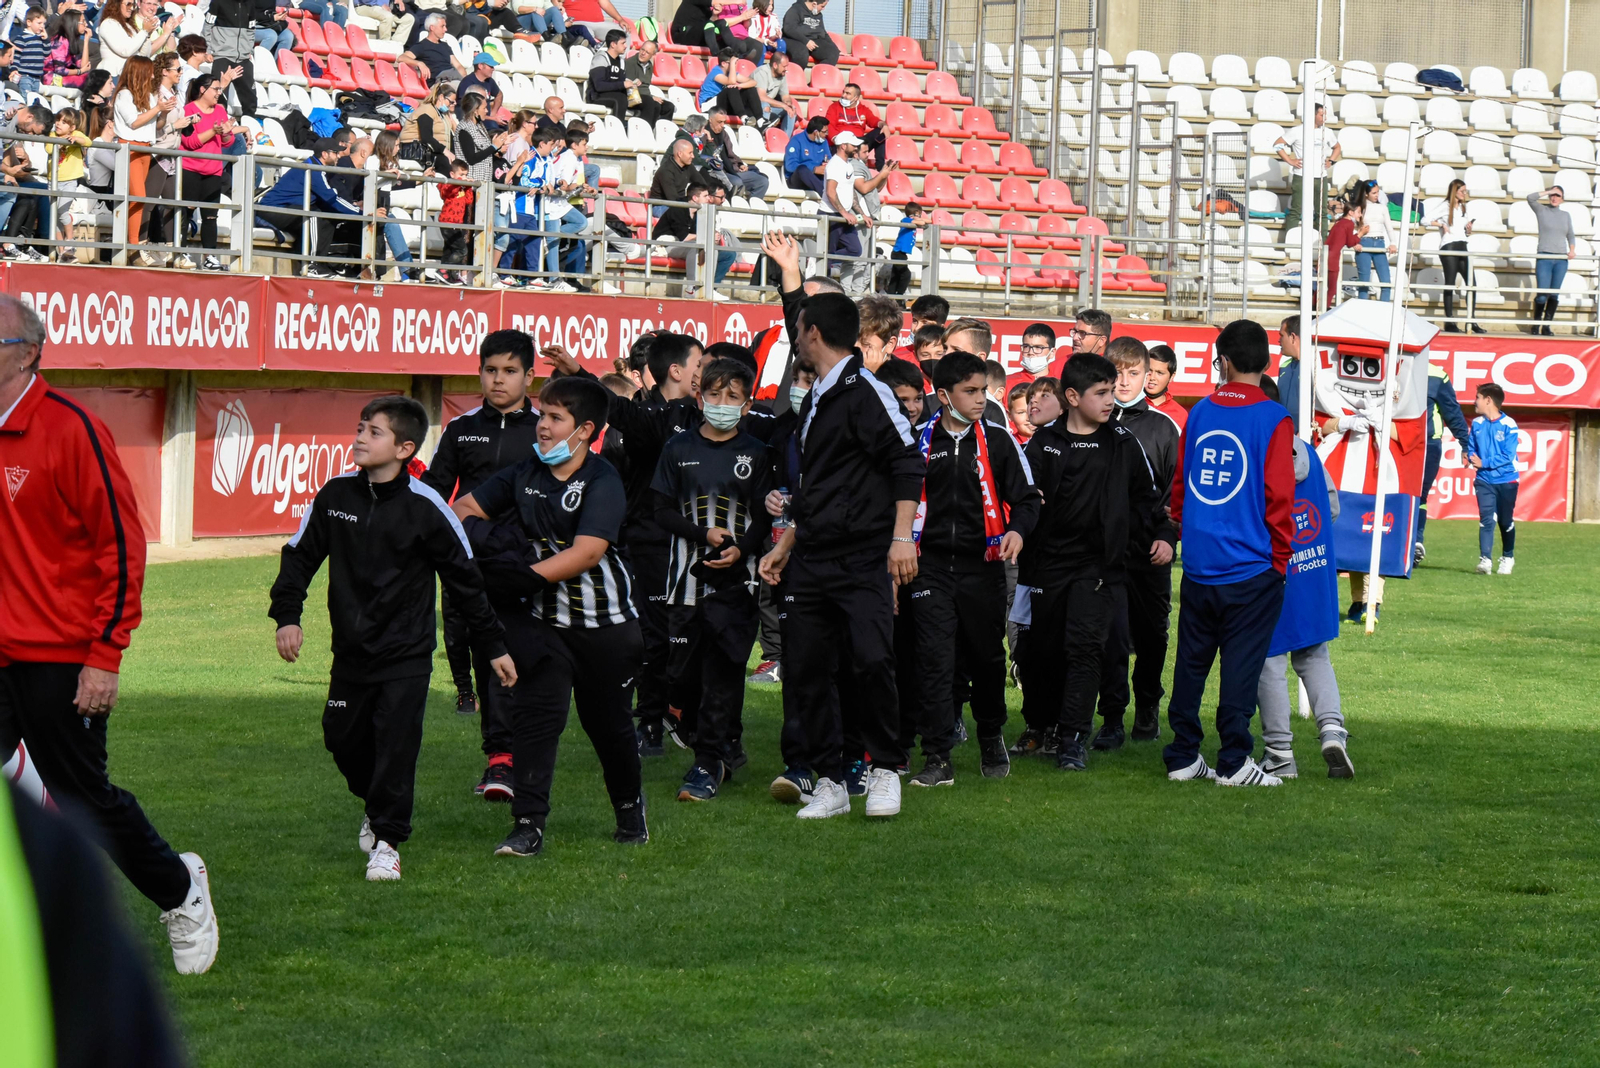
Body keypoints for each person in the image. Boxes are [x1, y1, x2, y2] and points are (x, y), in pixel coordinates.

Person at [0, 295, 219, 975]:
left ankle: (180, 890)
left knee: (83, 800)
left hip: (63, 654)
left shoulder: (72, 430)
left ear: (29, 352)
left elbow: (121, 549)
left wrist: (104, 655)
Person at [270, 396, 515, 882]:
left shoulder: (428, 508)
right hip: (351, 655)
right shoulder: (335, 495)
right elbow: (298, 557)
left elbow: (467, 583)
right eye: (360, 427)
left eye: (374, 432)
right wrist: (287, 616)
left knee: (396, 748)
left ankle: (388, 842)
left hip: (406, 655)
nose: (360, 438)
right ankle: (377, 806)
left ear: (404, 448)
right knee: (340, 738)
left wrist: (494, 646)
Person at [451, 375, 649, 858]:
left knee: (610, 728)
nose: (542, 426)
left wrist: (525, 577)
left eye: (555, 418)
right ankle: (528, 826)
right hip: (543, 627)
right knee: (536, 722)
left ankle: (629, 812)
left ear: (584, 430)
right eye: (542, 414)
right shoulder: (525, 472)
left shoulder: (603, 480)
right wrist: (493, 541)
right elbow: (463, 507)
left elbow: (587, 552)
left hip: (606, 628)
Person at [757, 292, 925, 820]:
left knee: (873, 660)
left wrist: (901, 538)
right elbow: (821, 487)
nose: (794, 336)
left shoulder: (866, 390)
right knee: (807, 667)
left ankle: (884, 771)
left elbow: (907, 464)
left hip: (863, 557)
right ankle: (829, 781)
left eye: (797, 327)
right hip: (813, 559)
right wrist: (788, 542)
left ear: (811, 334)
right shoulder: (819, 397)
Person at [1013, 353, 1168, 772]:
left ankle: (1072, 739)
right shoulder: (1043, 444)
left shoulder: (1121, 442)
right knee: (1041, 653)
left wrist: (1163, 535)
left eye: (1111, 391)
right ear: (1072, 397)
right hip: (1045, 569)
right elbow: (1024, 502)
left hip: (1098, 570)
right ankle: (1041, 725)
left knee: (1085, 650)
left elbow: (1146, 499)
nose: (1110, 401)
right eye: (1100, 393)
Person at [1163, 319, 1296, 787]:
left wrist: (1187, 530)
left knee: (1192, 662)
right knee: (1241, 666)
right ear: (1266, 361)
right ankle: (1235, 760)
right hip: (1250, 564)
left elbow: (1181, 485)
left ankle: (1182, 753)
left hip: (1201, 562)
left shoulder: (1198, 412)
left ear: (1224, 360)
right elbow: (1280, 497)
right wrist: (1280, 560)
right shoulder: (1274, 418)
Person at [900, 350, 1038, 786]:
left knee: (986, 657)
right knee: (934, 660)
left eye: (983, 391)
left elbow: (1029, 499)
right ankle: (937, 754)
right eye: (970, 391)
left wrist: (1016, 530)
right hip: (930, 568)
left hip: (985, 567)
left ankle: (990, 734)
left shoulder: (998, 439)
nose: (981, 399)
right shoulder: (916, 440)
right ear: (943, 395)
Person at [423, 331, 541, 798]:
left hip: (532, 565)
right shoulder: (461, 427)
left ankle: (520, 752)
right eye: (491, 370)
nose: (499, 379)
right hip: (472, 563)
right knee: (487, 655)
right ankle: (499, 760)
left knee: (530, 657)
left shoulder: (545, 428)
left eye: (510, 371)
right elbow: (434, 491)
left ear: (530, 377)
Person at [650, 357, 773, 799]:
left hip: (736, 584)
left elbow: (762, 516)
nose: (722, 403)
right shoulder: (678, 448)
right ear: (700, 397)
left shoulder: (758, 453)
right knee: (683, 679)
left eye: (732, 397)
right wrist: (703, 533)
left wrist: (742, 548)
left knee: (724, 670)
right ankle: (724, 743)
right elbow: (659, 510)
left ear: (746, 404)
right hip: (683, 581)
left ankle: (708, 763)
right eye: (714, 394)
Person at [1254, 383, 1353, 781]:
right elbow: (1330, 507)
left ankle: (1279, 753)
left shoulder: (1255, 454)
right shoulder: (1307, 450)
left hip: (1271, 572)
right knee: (1315, 657)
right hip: (1312, 573)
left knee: (1269, 662)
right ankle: (1332, 729)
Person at [1088, 336, 1180, 749]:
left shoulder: (1163, 427)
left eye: (1134, 373)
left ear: (1149, 375)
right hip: (1103, 554)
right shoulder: (1090, 423)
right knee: (1108, 636)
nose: (1124, 381)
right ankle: (1110, 718)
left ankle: (1147, 704)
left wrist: (1168, 536)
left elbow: (1175, 493)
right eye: (1118, 372)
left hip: (1149, 553)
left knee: (1151, 636)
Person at [257, 137, 370, 276]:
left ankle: (319, 264)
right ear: (324, 154)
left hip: (287, 209)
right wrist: (361, 213)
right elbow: (333, 199)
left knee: (327, 216)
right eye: (335, 152)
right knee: (314, 214)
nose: (339, 156)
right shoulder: (313, 170)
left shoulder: (318, 168)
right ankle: (311, 265)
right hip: (270, 210)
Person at [175, 74, 236, 273]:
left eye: (219, 89)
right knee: (186, 211)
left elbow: (228, 142)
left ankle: (210, 256)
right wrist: (214, 131)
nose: (219, 93)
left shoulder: (220, 110)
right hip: (190, 168)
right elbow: (190, 142)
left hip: (214, 170)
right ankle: (181, 253)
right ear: (203, 90)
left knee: (211, 216)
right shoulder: (188, 110)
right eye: (216, 89)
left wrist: (226, 132)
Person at [1414, 359, 1472, 563]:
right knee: (1399, 494)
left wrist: (1465, 444)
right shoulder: (1393, 368)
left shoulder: (1437, 375)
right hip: (1395, 442)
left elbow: (1453, 413)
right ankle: (1399, 542)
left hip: (1428, 445)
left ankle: (1415, 543)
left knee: (1419, 495)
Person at [1467, 382, 1519, 575]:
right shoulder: (1477, 424)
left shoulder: (1509, 425)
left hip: (1507, 480)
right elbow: (1471, 447)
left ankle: (1508, 557)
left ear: (1488, 400)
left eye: (1478, 397)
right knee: (1486, 519)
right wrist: (1471, 456)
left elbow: (1508, 455)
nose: (1475, 401)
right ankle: (1485, 560)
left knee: (1505, 521)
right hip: (1484, 480)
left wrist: (1484, 461)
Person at [654, 182, 736, 298]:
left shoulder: (700, 212)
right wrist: (706, 235)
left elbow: (703, 237)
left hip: (687, 245)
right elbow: (684, 237)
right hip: (667, 246)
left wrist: (713, 237)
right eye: (705, 196)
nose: (709, 198)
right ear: (695, 198)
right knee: (697, 246)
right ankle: (691, 288)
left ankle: (710, 288)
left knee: (728, 255)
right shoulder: (679, 209)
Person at [1275, 102, 1339, 239]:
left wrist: (1331, 160)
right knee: (1296, 210)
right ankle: (1290, 240)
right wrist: (1290, 160)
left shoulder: (1327, 132)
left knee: (1321, 212)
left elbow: (1337, 147)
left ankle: (1321, 243)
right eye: (1322, 115)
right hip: (1301, 176)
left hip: (1320, 176)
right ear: (1313, 115)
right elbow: (1277, 145)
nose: (1324, 118)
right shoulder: (1298, 130)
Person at [1429, 179, 1485, 332]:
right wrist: (1441, 225)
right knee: (1450, 282)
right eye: (1462, 191)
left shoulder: (1463, 207)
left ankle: (1471, 320)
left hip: (1462, 245)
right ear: (1455, 191)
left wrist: (1468, 229)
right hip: (1450, 246)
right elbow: (1424, 220)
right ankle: (1449, 321)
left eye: (1465, 191)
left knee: (1471, 284)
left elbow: (1463, 231)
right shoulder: (1444, 206)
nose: (1465, 194)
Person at [1528, 186, 1576, 334]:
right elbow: (1530, 198)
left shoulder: (1565, 215)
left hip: (1560, 259)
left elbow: (1571, 234)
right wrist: (1548, 191)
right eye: (1552, 195)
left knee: (1554, 294)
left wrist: (1572, 249)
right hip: (1545, 256)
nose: (1554, 198)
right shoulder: (1542, 211)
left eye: (1558, 195)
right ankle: (1536, 324)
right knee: (1542, 294)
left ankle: (1546, 326)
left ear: (1562, 198)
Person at [825, 81, 885, 170]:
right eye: (843, 92)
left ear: (856, 98)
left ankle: (881, 167)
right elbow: (829, 126)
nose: (843, 95)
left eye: (848, 93)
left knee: (880, 133)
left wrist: (884, 125)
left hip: (859, 142)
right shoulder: (834, 107)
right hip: (841, 142)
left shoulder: (863, 109)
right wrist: (839, 141)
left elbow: (874, 120)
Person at [1354, 181, 1396, 302]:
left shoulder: (1382, 207)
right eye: (1374, 193)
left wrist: (1393, 242)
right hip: (1364, 242)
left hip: (1379, 243)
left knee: (1386, 281)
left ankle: (1384, 310)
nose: (1377, 195)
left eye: (1378, 192)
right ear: (1366, 194)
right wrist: (1354, 242)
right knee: (1364, 282)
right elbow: (1352, 226)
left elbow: (1389, 227)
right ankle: (1362, 310)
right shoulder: (1359, 208)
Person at [398, 82, 456, 167]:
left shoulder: (444, 115)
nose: (453, 104)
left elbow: (450, 137)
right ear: (441, 97)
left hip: (434, 151)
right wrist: (445, 151)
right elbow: (426, 137)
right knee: (444, 164)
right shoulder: (426, 110)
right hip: (415, 150)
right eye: (451, 102)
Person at [401, 13, 469, 85]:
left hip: (453, 78)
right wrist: (419, 63)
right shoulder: (422, 46)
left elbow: (458, 65)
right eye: (442, 26)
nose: (445, 29)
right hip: (440, 82)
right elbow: (401, 58)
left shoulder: (445, 46)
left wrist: (464, 79)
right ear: (432, 28)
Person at [698, 47, 762, 120]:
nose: (735, 65)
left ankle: (760, 119)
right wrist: (732, 65)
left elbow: (753, 82)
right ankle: (743, 117)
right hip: (709, 105)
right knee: (731, 88)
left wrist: (740, 85)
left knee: (750, 89)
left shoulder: (731, 74)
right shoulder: (715, 72)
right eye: (733, 63)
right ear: (723, 63)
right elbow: (731, 82)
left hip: (723, 105)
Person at [623, 38, 673, 125]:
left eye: (647, 52)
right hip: (632, 97)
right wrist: (651, 97)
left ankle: (660, 132)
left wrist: (651, 96)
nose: (643, 53)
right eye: (642, 50)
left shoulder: (649, 66)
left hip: (646, 97)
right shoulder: (630, 63)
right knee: (653, 104)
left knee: (669, 106)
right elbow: (630, 87)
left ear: (652, 55)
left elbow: (645, 87)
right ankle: (645, 131)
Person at [1323, 196, 1362, 309]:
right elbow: (1350, 242)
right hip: (1333, 259)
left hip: (1327, 256)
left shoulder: (1339, 223)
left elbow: (1344, 239)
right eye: (1358, 212)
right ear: (1351, 212)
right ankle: (1323, 309)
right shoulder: (1348, 224)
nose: (1360, 215)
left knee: (1323, 286)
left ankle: (1316, 306)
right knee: (1332, 288)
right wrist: (1360, 234)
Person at [892, 293, 950, 360]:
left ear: (940, 327)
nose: (916, 328)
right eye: (915, 321)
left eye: (925, 323)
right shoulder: (897, 357)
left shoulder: (949, 360)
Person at [783, 115, 831, 195]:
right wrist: (813, 169)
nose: (827, 134)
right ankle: (825, 195)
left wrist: (828, 164)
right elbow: (790, 165)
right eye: (824, 132)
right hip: (797, 180)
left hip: (817, 177)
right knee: (802, 169)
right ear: (816, 132)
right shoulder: (796, 140)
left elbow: (828, 158)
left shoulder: (823, 141)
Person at [886, 200, 925, 295]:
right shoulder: (906, 220)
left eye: (919, 215)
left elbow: (926, 221)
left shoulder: (914, 221)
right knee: (906, 275)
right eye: (916, 215)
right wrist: (918, 219)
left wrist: (919, 219)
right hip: (898, 253)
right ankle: (900, 296)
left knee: (895, 276)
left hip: (901, 253)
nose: (918, 217)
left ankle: (891, 297)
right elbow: (922, 222)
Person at [781, 0, 836, 67]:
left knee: (832, 53)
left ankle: (820, 75)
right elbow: (789, 29)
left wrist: (836, 49)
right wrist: (806, 41)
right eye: (822, 6)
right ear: (814, 4)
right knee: (801, 53)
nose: (823, 9)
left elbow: (823, 33)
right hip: (794, 39)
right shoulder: (795, 10)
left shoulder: (818, 15)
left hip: (813, 41)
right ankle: (796, 75)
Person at [754, 48, 795, 134]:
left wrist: (788, 104)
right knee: (765, 105)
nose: (786, 69)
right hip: (756, 107)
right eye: (784, 66)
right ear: (775, 65)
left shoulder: (781, 75)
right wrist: (783, 105)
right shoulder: (762, 72)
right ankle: (762, 135)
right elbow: (761, 97)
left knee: (791, 110)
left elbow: (785, 96)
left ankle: (785, 140)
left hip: (770, 106)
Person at [11, 8, 48, 96]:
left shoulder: (41, 38)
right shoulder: (22, 38)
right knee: (26, 97)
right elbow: (16, 56)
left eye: (43, 23)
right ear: (29, 22)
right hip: (25, 76)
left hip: (37, 77)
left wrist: (46, 40)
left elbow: (47, 53)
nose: (42, 26)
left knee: (33, 100)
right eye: (39, 23)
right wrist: (14, 69)